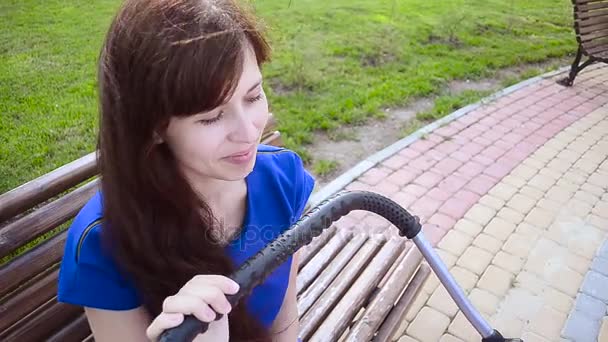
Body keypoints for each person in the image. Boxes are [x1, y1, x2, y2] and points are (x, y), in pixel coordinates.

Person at [57, 0, 315, 341]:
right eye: (210, 117)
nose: (249, 131)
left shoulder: (283, 179)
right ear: (153, 127)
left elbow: (284, 317)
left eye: (253, 96)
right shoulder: (103, 242)